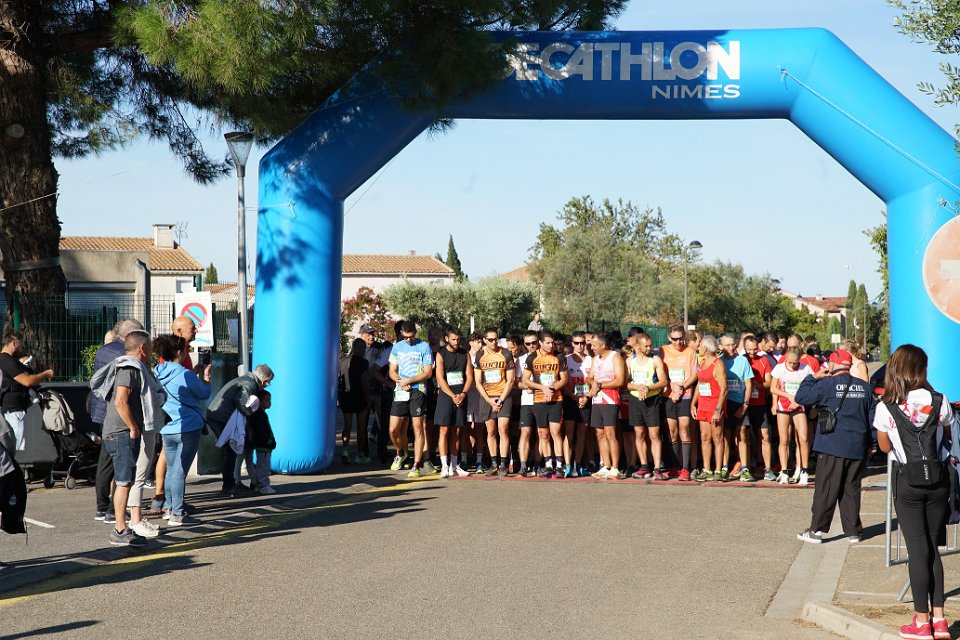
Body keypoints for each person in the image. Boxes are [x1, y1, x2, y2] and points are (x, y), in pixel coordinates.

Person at [873, 345, 954, 640]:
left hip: (907, 482)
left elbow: (884, 446)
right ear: (922, 369)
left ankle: (921, 622)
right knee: (933, 549)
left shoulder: (886, 406)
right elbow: (947, 434)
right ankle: (940, 620)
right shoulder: (939, 400)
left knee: (917, 551)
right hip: (938, 481)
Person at [92, 330, 166, 545]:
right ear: (142, 348)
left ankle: (122, 527)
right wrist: (133, 427)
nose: (152, 350)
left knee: (124, 481)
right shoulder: (129, 368)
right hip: (121, 433)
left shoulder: (133, 367)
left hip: (120, 432)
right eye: (150, 346)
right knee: (124, 482)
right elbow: (120, 400)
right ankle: (120, 529)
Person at [795, 349, 873, 545]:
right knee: (851, 489)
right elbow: (871, 418)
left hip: (832, 445)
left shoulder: (827, 384)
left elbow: (801, 397)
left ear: (832, 364)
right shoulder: (865, 388)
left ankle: (816, 531)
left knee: (826, 488)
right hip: (856, 446)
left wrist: (812, 377)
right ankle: (853, 531)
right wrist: (871, 444)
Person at [153, 334, 210, 526]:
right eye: (185, 349)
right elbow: (204, 393)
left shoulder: (157, 371)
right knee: (179, 472)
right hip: (188, 426)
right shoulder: (184, 374)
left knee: (171, 470)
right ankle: (178, 513)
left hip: (167, 426)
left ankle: (169, 508)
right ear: (179, 352)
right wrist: (206, 378)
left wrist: (194, 373)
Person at [91, 319, 144, 523]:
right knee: (121, 469)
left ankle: (101, 507)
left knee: (105, 462)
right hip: (118, 414)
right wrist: (132, 425)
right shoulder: (125, 356)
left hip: (102, 409)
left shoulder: (104, 350)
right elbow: (122, 396)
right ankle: (114, 512)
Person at [206, 363, 274, 497]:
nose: (267, 385)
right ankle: (229, 487)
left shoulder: (246, 380)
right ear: (263, 380)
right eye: (268, 382)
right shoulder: (250, 384)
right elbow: (241, 401)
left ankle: (232, 484)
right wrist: (250, 412)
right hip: (220, 418)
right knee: (231, 451)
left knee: (232, 451)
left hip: (217, 415)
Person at [388, 321, 434, 478]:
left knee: (418, 428)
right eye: (406, 337)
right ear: (401, 333)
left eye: (411, 337)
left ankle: (417, 464)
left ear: (415, 332)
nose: (408, 340)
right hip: (401, 389)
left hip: (418, 390)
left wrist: (410, 380)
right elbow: (392, 371)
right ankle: (401, 453)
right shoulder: (397, 347)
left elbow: (428, 373)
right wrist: (400, 381)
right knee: (393, 429)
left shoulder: (424, 346)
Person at [0, 331, 54, 457]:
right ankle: (14, 469)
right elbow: (27, 381)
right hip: (13, 411)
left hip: (8, 409)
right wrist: (46, 374)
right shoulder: (8, 361)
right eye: (21, 344)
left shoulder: (6, 360)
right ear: (14, 343)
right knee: (16, 449)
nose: (22, 348)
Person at [524, 331, 569, 478]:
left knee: (556, 432)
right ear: (540, 343)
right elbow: (526, 379)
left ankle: (560, 466)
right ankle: (548, 465)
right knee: (543, 433)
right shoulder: (532, 357)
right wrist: (542, 388)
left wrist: (552, 389)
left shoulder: (559, 356)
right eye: (548, 343)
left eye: (552, 343)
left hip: (556, 400)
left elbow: (564, 379)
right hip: (539, 400)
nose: (551, 346)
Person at [473, 328, 515, 477]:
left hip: (504, 395)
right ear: (484, 340)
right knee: (490, 431)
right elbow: (478, 382)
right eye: (490, 340)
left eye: (496, 339)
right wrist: (489, 401)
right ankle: (494, 464)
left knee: (503, 429)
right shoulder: (480, 355)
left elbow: (511, 380)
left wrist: (501, 399)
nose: (493, 342)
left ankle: (503, 464)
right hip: (487, 397)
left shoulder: (506, 353)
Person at [626, 333, 668, 480]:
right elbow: (624, 382)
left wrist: (648, 388)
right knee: (639, 434)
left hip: (652, 400)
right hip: (635, 400)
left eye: (650, 345)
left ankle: (657, 468)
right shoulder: (630, 361)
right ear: (637, 346)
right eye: (646, 346)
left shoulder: (655, 360)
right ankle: (644, 466)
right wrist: (637, 387)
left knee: (654, 435)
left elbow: (663, 381)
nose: (649, 348)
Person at [770, 347, 814, 484]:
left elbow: (812, 388)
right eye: (790, 363)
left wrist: (800, 401)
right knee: (784, 439)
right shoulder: (779, 368)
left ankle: (804, 470)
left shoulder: (806, 369)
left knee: (803, 438)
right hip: (783, 405)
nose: (793, 365)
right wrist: (786, 397)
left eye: (795, 363)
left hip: (799, 406)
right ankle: (784, 471)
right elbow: (773, 388)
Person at [661, 325, 699, 480]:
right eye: (674, 339)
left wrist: (682, 387)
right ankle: (674, 466)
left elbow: (695, 374)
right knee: (672, 432)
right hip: (668, 395)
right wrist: (671, 386)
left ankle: (685, 468)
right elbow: (661, 373)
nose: (678, 342)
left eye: (681, 339)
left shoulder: (690, 352)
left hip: (685, 395)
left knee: (684, 429)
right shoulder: (663, 350)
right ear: (669, 338)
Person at [434, 328, 473, 478]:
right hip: (446, 396)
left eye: (458, 339)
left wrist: (463, 394)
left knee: (457, 431)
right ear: (446, 339)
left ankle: (454, 466)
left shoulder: (465, 354)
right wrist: (452, 396)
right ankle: (444, 465)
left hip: (461, 395)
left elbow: (469, 376)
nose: (456, 342)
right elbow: (440, 378)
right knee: (444, 430)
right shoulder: (441, 354)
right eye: (453, 339)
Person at [587, 332, 625, 479]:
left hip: (610, 398)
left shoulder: (615, 357)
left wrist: (600, 385)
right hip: (597, 399)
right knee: (599, 433)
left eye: (594, 345)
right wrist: (593, 383)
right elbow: (589, 377)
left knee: (610, 433)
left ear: (603, 345)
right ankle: (606, 465)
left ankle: (615, 467)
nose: (592, 347)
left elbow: (619, 381)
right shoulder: (595, 358)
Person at [691, 335, 727, 482]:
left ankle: (718, 470)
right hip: (703, 405)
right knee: (704, 437)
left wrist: (718, 410)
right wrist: (693, 403)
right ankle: (706, 469)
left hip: (714, 406)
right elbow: (700, 384)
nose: (698, 347)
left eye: (700, 345)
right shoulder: (702, 362)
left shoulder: (718, 364)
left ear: (705, 348)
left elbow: (724, 389)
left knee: (717, 438)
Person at [719, 333, 753, 481]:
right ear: (721, 346)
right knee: (725, 436)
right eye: (727, 345)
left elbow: (749, 384)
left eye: (733, 344)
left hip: (740, 403)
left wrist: (745, 405)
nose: (731, 347)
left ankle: (745, 468)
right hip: (725, 404)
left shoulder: (742, 361)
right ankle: (724, 467)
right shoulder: (719, 361)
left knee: (742, 435)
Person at [339, 338, 371, 464]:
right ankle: (360, 454)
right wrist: (368, 397)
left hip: (345, 396)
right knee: (361, 427)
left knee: (347, 426)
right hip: (359, 396)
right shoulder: (363, 362)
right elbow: (364, 380)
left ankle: (345, 451)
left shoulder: (342, 361)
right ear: (362, 349)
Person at [564, 331, 592, 477]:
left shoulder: (591, 360)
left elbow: (594, 381)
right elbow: (563, 384)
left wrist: (586, 397)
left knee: (582, 434)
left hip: (586, 400)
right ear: (572, 344)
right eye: (576, 343)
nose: (580, 346)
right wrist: (575, 398)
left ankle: (578, 464)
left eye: (582, 343)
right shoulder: (566, 360)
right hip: (571, 400)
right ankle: (567, 465)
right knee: (569, 434)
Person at [516, 331, 539, 477]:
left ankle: (538, 464)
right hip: (527, 401)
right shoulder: (521, 359)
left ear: (539, 342)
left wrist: (538, 387)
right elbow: (516, 382)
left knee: (542, 433)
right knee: (525, 432)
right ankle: (523, 466)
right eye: (528, 343)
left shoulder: (547, 358)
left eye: (534, 342)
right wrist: (528, 386)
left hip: (544, 400)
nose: (531, 346)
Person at [248, 390, 277, 494]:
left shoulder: (261, 414)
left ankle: (257, 484)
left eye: (270, 400)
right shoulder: (259, 415)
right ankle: (263, 486)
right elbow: (261, 432)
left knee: (262, 466)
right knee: (264, 467)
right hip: (263, 446)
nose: (269, 402)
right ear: (259, 402)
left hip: (265, 446)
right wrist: (267, 442)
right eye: (267, 400)